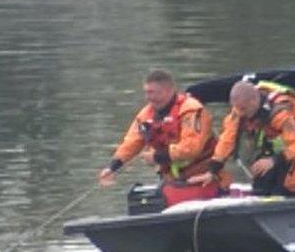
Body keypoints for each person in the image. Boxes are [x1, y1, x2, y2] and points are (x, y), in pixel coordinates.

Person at [97, 69, 229, 204]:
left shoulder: (191, 110)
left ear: (168, 90)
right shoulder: (146, 114)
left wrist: (156, 157)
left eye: (153, 92)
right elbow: (131, 142)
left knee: (169, 198)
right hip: (174, 182)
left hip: (205, 179)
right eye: (146, 93)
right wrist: (113, 167)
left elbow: (191, 148)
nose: (149, 98)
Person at [189, 80, 295, 196]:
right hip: (270, 152)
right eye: (237, 109)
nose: (240, 113)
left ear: (254, 101)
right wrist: (212, 170)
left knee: (288, 186)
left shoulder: (281, 114)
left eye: (243, 109)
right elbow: (227, 140)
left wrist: (274, 161)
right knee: (261, 185)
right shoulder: (239, 110)